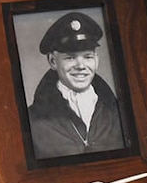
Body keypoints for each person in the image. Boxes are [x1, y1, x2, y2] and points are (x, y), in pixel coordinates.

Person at [26, 11, 128, 160]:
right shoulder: (32, 119)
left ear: (97, 60)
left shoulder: (120, 112)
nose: (81, 66)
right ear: (53, 61)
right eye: (70, 58)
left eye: (88, 57)